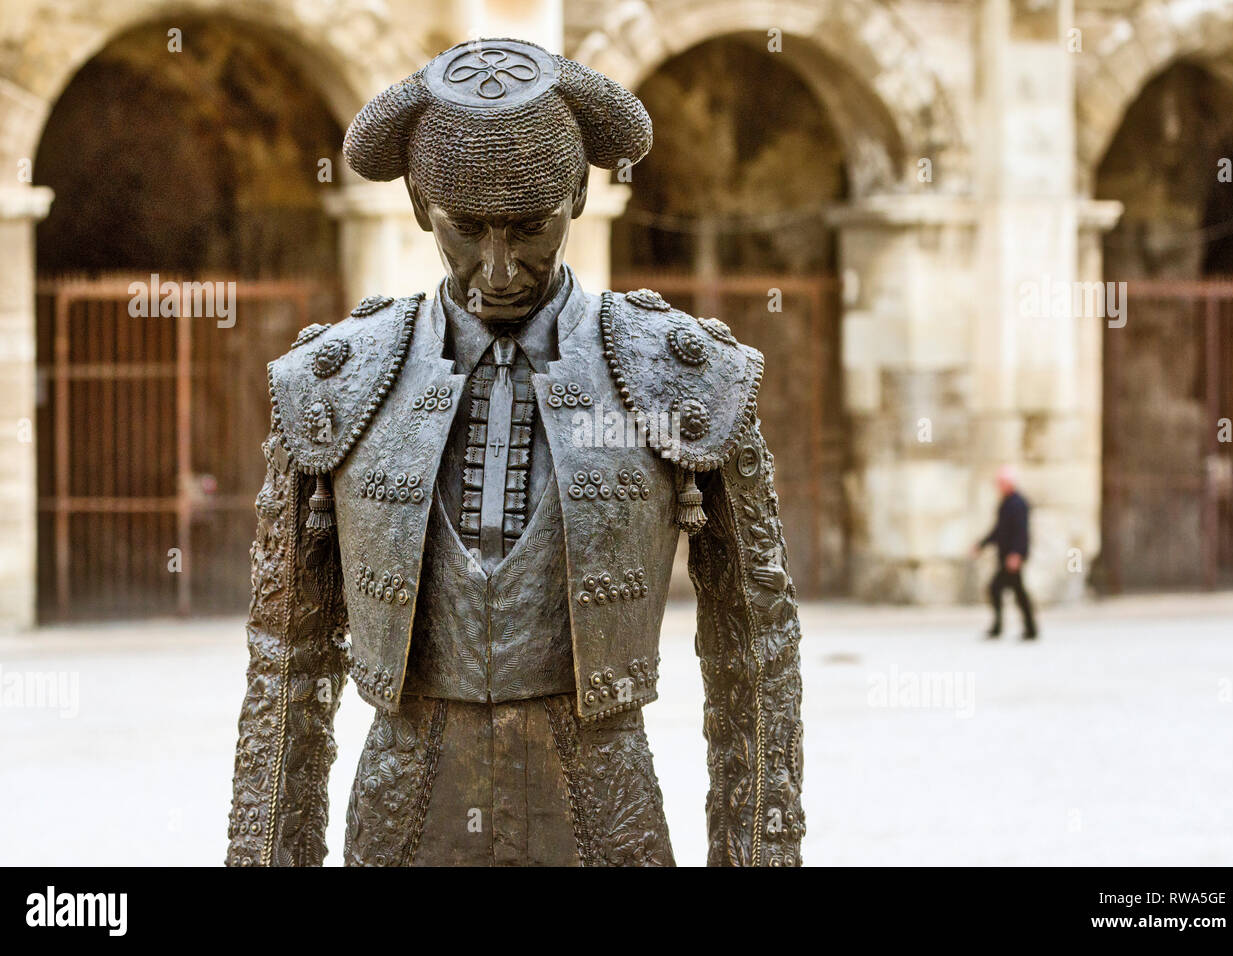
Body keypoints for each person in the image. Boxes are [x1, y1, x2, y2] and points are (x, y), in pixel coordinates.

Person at [225, 39, 804, 867]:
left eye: (531, 229)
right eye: (467, 230)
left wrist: (758, 859)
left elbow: (757, 648)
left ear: (577, 193)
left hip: (608, 814)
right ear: (422, 204)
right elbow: (285, 662)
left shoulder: (682, 372)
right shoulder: (334, 379)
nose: (497, 269)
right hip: (400, 816)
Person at [973, 465, 1038, 640]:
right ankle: (1027, 628)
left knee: (999, 589)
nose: (998, 486)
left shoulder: (1018, 504)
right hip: (1007, 555)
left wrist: (1017, 554)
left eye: (1000, 483)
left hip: (1012, 556)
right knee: (1015, 591)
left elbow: (1021, 532)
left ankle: (1002, 627)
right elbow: (999, 531)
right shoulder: (1007, 503)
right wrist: (982, 544)